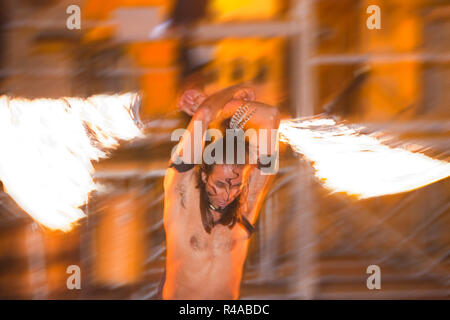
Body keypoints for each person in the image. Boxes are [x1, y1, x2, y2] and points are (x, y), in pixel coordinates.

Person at [160, 85, 280, 299]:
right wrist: (231, 92)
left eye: (235, 185)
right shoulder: (183, 197)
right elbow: (205, 113)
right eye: (221, 184)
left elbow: (270, 117)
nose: (227, 195)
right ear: (205, 176)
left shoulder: (246, 204)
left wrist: (231, 105)